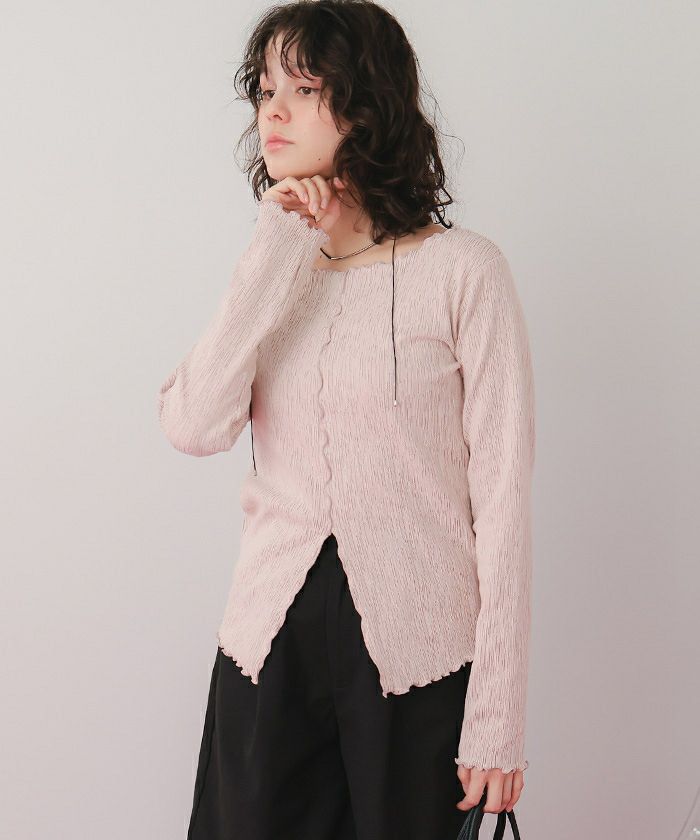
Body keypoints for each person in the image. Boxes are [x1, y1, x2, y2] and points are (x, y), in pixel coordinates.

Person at [157, 2, 536, 838]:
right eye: (265, 91)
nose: (274, 112)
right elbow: (192, 424)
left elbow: (504, 502)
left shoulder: (464, 273)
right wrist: (275, 248)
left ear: (365, 106)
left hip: (419, 664)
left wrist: (497, 716)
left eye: (304, 88)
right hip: (270, 652)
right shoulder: (277, 268)